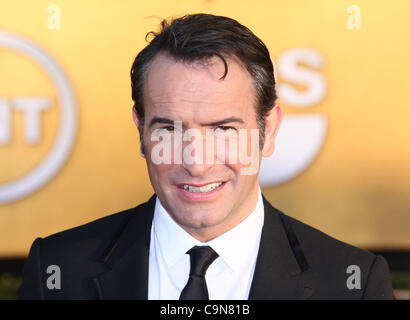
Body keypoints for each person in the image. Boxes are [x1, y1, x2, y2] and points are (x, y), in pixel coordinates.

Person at [19, 13, 394, 300]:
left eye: (223, 129)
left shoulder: (351, 283)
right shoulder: (57, 271)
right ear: (141, 130)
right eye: (169, 129)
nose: (196, 163)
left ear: (269, 131)